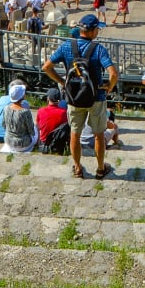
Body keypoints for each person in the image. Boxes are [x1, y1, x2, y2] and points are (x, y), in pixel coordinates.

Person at [40, 14, 118, 178]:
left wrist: (62, 81)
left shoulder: (67, 46)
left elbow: (46, 67)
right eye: (97, 28)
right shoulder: (98, 49)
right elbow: (113, 74)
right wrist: (108, 87)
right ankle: (100, 168)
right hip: (96, 97)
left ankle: (77, 167)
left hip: (74, 97)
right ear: (91, 31)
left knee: (75, 133)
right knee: (98, 134)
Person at [0, 83, 38, 153]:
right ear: (22, 96)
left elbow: (4, 125)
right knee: (36, 128)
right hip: (23, 145)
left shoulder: (6, 108)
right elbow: (31, 131)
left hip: (9, 142)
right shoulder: (25, 112)